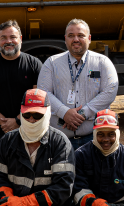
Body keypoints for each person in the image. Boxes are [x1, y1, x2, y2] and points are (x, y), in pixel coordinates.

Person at [38, 19, 119, 150]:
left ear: (89, 38)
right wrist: (64, 113)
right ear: (65, 39)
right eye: (71, 36)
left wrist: (82, 113)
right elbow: (43, 92)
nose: (76, 39)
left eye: (80, 35)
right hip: (59, 139)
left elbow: (110, 91)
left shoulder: (102, 62)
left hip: (94, 138)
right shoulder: (51, 63)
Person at [0, 20, 42, 151]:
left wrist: (18, 121)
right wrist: (4, 123)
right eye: (3, 38)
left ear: (20, 39)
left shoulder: (34, 64)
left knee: (30, 170)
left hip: (30, 129)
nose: (8, 41)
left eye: (13, 37)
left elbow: (38, 97)